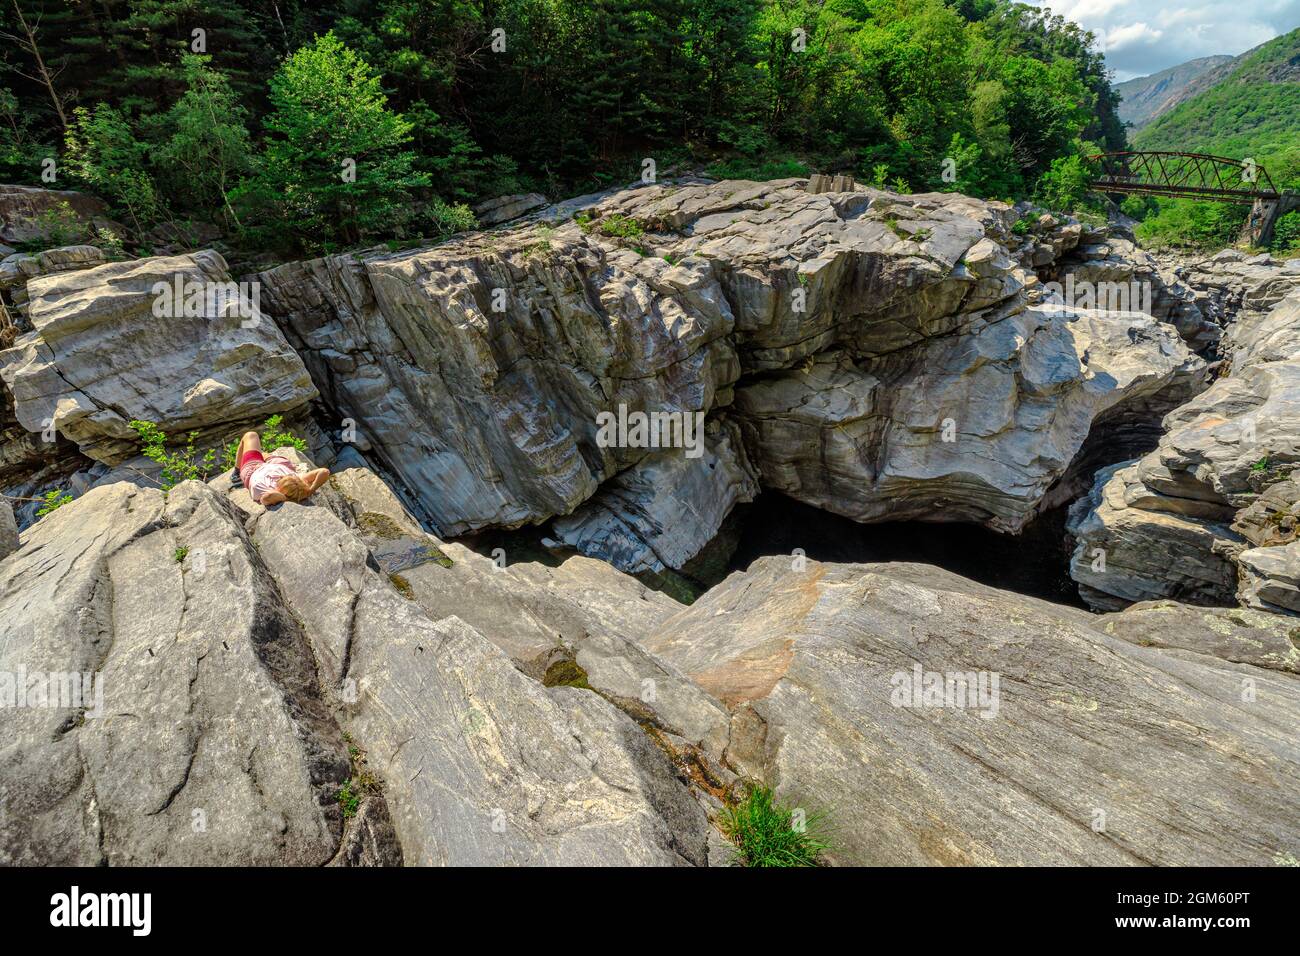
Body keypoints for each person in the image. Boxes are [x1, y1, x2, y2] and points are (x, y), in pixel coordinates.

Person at [234, 431, 330, 506]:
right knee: (265, 455)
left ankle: (237, 470)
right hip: (278, 466)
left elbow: (267, 498)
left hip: (253, 468)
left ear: (279, 489)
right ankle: (264, 455)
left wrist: (285, 498)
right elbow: (324, 471)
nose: (280, 477)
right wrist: (311, 490)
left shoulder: (268, 490)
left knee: (250, 435)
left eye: (280, 479)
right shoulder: (295, 482)